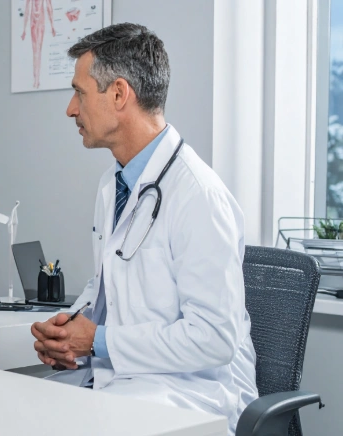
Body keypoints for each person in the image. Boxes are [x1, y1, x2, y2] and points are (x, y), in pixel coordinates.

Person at [30, 23, 257, 435]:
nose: (70, 109)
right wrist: (70, 333)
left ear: (119, 94)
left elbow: (214, 339)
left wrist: (96, 341)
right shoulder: (113, 184)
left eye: (79, 93)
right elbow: (112, 286)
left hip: (191, 394)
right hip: (125, 380)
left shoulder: (198, 195)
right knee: (19, 409)